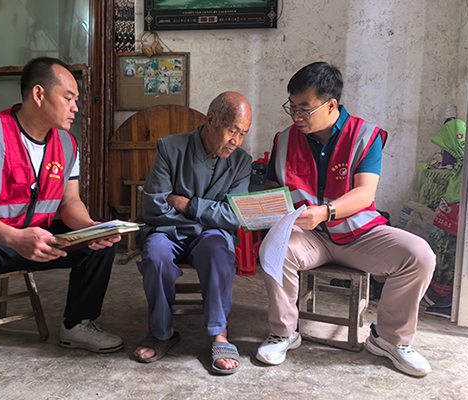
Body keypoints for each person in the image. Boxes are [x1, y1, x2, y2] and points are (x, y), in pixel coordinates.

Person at [0, 57, 123, 400]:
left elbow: (69, 204)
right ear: (38, 93)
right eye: (69, 98)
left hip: (35, 237)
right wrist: (13, 237)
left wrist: (93, 227)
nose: (76, 108)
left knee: (102, 241)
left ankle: (76, 325)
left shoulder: (66, 144)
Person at [256, 62, 436, 377]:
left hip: (359, 234)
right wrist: (261, 209)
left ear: (331, 105)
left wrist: (325, 212)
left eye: (305, 109)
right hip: (308, 237)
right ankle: (284, 332)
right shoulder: (283, 139)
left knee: (419, 255)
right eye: (292, 107)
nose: (297, 116)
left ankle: (389, 339)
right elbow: (274, 188)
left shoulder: (365, 136)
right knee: (275, 247)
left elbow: (365, 193)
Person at [133, 92, 253, 375]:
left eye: (243, 133)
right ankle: (162, 332)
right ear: (211, 121)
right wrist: (209, 216)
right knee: (156, 254)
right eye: (232, 130)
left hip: (207, 235)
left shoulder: (241, 163)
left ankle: (219, 334)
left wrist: (189, 205)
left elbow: (235, 217)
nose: (236, 140)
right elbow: (153, 207)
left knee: (219, 253)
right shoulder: (170, 147)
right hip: (165, 230)